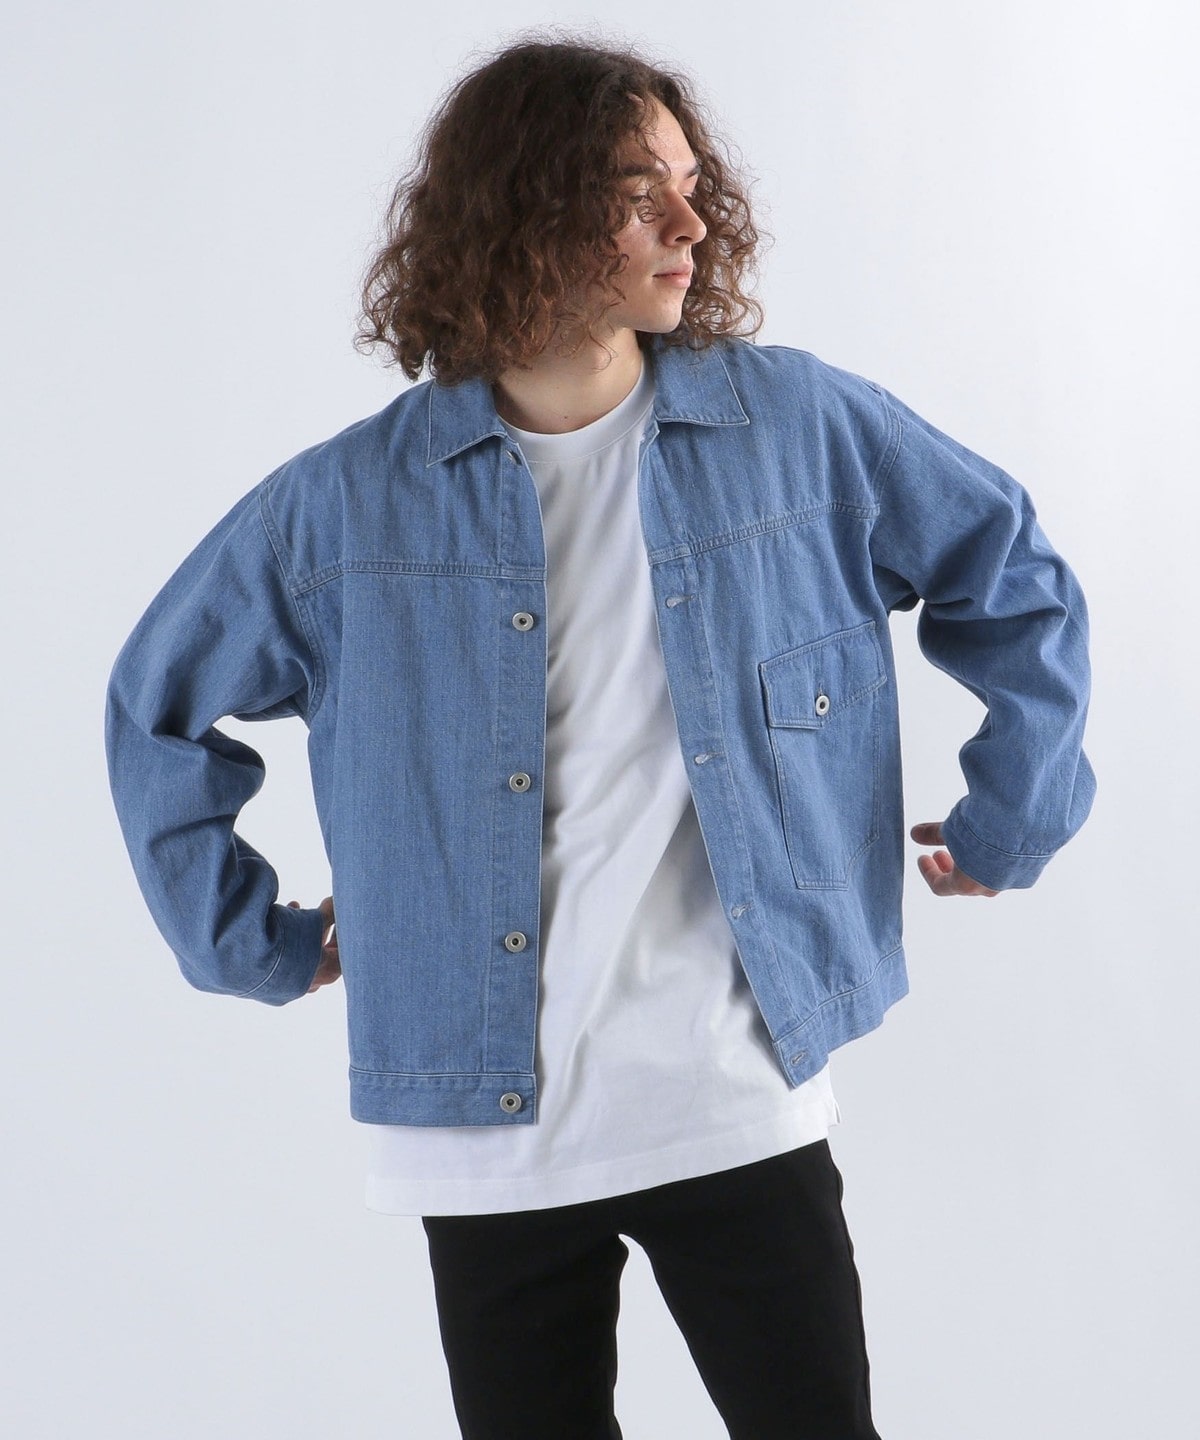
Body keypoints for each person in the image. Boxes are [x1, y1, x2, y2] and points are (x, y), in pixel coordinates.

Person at [104, 31, 1097, 1440]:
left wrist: (1015, 816)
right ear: (526, 211)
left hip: (732, 1087)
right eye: (640, 194)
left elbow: (1016, 576)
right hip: (481, 1125)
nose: (692, 222)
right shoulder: (345, 509)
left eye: (692, 185)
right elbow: (153, 707)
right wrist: (247, 940)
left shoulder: (795, 429)